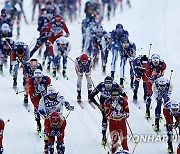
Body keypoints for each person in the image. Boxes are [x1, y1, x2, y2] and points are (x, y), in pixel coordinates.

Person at [89, 76, 127, 145]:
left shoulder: (116, 86)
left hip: (114, 102)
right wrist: (98, 105)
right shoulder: (101, 85)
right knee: (105, 117)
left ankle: (117, 136)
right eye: (106, 84)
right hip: (104, 103)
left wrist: (123, 105)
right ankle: (104, 136)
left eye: (109, 84)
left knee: (116, 117)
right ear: (104, 83)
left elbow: (125, 96)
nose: (108, 86)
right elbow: (91, 96)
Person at [38, 85, 74, 153]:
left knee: (61, 127)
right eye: (50, 95)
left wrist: (68, 106)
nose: (52, 96)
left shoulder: (59, 96)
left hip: (59, 116)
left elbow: (64, 101)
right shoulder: (44, 99)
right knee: (47, 130)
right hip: (48, 116)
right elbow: (40, 109)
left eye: (53, 94)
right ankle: (47, 143)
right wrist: (44, 114)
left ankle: (60, 142)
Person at [104, 88, 129, 154]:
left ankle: (126, 152)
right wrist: (111, 108)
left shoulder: (123, 101)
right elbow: (107, 116)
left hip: (121, 122)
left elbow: (127, 114)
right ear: (111, 95)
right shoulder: (107, 102)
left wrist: (121, 111)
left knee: (124, 141)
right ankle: (113, 152)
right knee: (114, 142)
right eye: (113, 96)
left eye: (117, 96)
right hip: (113, 123)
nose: (115, 98)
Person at [28, 69, 51, 133]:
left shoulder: (46, 80)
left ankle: (47, 125)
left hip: (44, 96)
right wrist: (37, 91)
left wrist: (43, 92)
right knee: (37, 109)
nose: (37, 79)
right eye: (36, 78)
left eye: (39, 78)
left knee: (47, 109)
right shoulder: (31, 81)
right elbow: (32, 95)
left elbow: (49, 92)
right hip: (36, 97)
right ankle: (38, 123)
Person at [145, 54, 166, 119]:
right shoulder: (148, 65)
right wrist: (151, 78)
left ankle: (158, 111)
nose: (156, 64)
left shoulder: (163, 64)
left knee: (159, 97)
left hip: (158, 80)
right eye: (154, 62)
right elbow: (148, 75)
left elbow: (162, 73)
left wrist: (159, 76)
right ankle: (147, 110)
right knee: (149, 94)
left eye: (157, 62)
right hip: (151, 80)